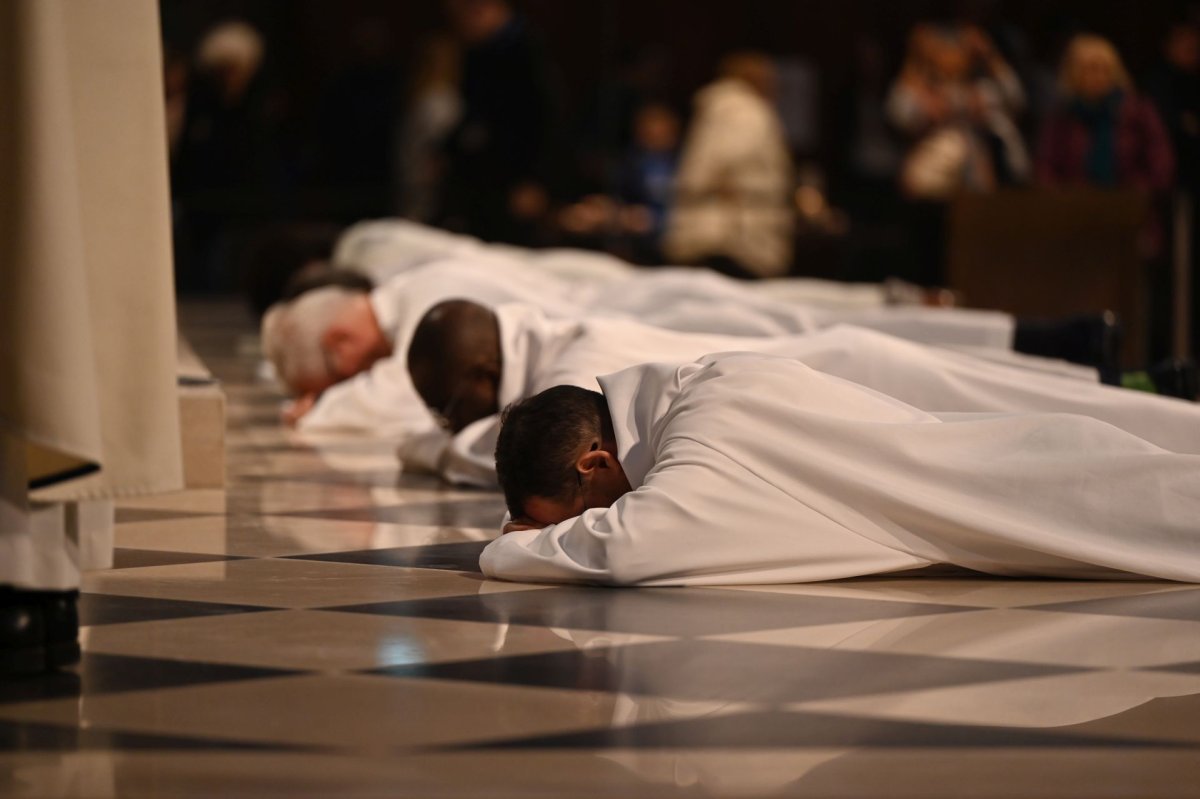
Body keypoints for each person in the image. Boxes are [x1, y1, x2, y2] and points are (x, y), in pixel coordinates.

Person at [484, 353, 1200, 586]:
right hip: (1022, 462)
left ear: (599, 461)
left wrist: (508, 549)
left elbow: (636, 543)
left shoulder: (705, 436)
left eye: (579, 512)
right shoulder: (701, 383)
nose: (595, 520)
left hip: (1038, 492)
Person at [404, 300, 1200, 488]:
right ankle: (1152, 392)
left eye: (447, 401)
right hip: (824, 367)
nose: (448, 419)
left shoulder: (565, 373)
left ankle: (1158, 398)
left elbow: (484, 451)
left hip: (838, 376)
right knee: (1024, 401)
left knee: (1033, 420)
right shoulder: (556, 339)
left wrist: (426, 443)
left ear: (483, 380)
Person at [663, 52, 795, 278]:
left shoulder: (722, 108)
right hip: (732, 235)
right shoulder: (744, 111)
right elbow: (713, 165)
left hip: (716, 229)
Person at [887, 23, 1030, 198]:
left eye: (957, 46)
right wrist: (914, 62)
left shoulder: (980, 88)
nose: (950, 53)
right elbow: (899, 113)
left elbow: (1015, 99)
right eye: (942, 47)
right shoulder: (919, 88)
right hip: (931, 189)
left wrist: (991, 56)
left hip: (977, 182)